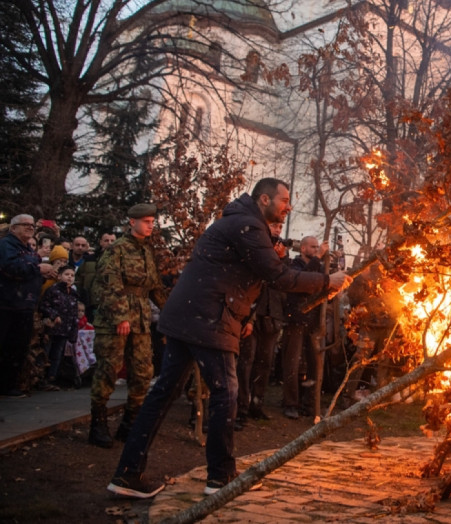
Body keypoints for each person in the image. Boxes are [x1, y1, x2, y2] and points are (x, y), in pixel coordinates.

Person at [107, 178, 352, 499]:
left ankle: (127, 475)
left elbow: (247, 273)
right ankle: (221, 478)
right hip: (208, 319)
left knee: (163, 394)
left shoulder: (241, 223)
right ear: (264, 199)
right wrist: (326, 281)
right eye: (284, 199)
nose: (288, 206)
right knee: (226, 393)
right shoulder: (248, 227)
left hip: (189, 315)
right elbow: (277, 277)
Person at [88, 204, 168, 448]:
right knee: (108, 370)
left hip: (141, 320)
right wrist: (121, 317)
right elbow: (109, 284)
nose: (150, 225)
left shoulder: (147, 251)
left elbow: (154, 288)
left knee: (143, 373)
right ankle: (98, 425)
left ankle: (129, 424)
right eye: (145, 221)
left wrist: (172, 311)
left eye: (152, 221)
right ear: (131, 222)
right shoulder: (116, 250)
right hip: (116, 320)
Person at [235, 221, 288, 426]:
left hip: (273, 315)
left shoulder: (281, 255)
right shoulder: (256, 248)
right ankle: (241, 408)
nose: (277, 230)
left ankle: (257, 404)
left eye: (279, 227)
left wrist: (282, 258)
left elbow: (285, 281)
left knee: (265, 363)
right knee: (246, 363)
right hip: (253, 316)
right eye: (274, 225)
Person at [0, 215, 56, 397]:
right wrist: (37, 268)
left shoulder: (27, 249)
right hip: (7, 304)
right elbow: (11, 267)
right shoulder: (6, 246)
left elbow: (28, 270)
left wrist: (42, 275)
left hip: (24, 304)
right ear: (13, 228)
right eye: (25, 225)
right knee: (5, 346)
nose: (30, 228)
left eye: (32, 225)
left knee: (17, 348)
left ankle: (8, 386)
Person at [280, 235, 326, 419]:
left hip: (313, 322)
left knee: (314, 364)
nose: (316, 250)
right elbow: (303, 280)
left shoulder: (318, 266)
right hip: (296, 319)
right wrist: (318, 259)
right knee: (292, 362)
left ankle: (310, 403)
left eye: (317, 247)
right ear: (304, 249)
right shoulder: (294, 265)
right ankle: (290, 403)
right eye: (313, 247)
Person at [38, 265, 82, 387]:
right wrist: (54, 315)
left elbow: (74, 314)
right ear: (59, 276)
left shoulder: (73, 293)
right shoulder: (53, 290)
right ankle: (41, 378)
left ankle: (52, 378)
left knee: (57, 355)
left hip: (65, 329)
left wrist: (73, 332)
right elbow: (44, 305)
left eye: (72, 275)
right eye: (67, 275)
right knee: (46, 353)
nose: (69, 277)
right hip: (51, 328)